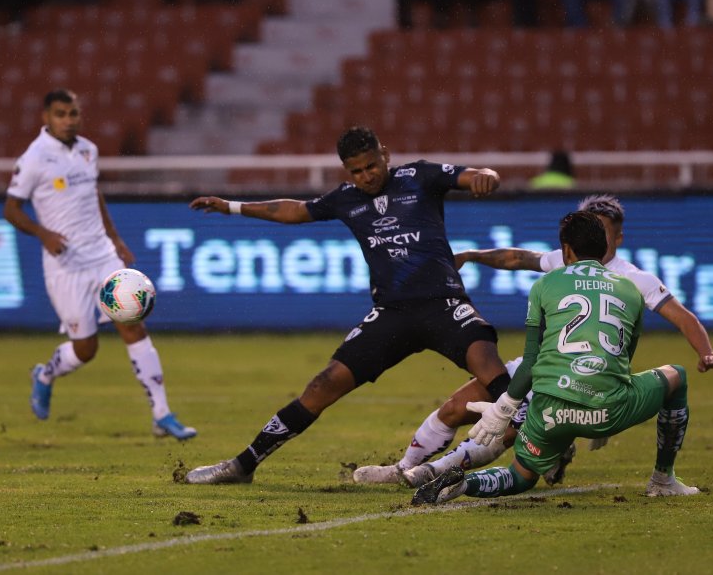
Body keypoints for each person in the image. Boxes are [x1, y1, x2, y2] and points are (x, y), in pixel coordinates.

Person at [184, 126, 511, 484]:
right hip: (392, 314)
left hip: (444, 304)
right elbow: (294, 211)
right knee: (324, 384)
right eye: (356, 171)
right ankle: (243, 465)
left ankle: (538, 439)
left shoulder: (419, 175)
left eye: (372, 166)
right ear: (347, 171)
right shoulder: (347, 198)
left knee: (488, 364)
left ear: (384, 154)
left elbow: (475, 175)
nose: (367, 176)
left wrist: (487, 177)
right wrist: (231, 207)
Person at [354, 194, 713, 488]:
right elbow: (517, 257)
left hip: (567, 379)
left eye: (602, 227)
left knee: (507, 432)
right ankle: (403, 467)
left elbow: (683, 317)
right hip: (542, 366)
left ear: (617, 235)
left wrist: (705, 352)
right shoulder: (563, 262)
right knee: (456, 408)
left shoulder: (634, 279)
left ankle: (434, 472)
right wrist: (472, 255)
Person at [3, 89, 197, 440]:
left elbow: (93, 194)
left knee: (134, 325)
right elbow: (11, 209)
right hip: (66, 266)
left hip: (102, 256)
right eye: (61, 114)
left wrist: (116, 238)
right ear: (46, 117)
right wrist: (43, 233)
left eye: (74, 113)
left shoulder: (88, 150)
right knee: (85, 349)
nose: (68, 120)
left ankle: (162, 413)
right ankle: (45, 374)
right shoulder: (34, 158)